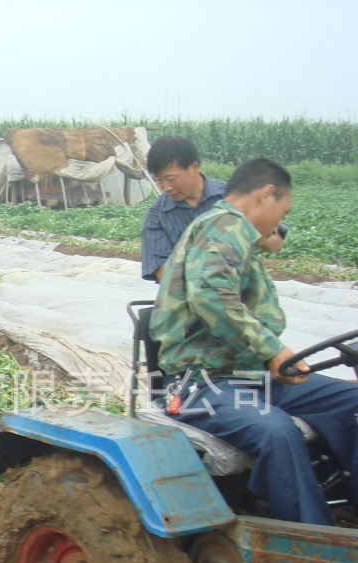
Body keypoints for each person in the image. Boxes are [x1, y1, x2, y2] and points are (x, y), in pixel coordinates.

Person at [150, 158, 358, 527]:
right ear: (267, 195)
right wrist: (273, 349)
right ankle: (314, 539)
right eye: (284, 210)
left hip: (250, 377)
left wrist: (270, 356)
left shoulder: (240, 236)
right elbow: (211, 296)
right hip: (197, 382)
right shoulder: (222, 226)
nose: (281, 221)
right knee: (277, 431)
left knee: (351, 400)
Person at [141, 136, 284, 283]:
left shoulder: (235, 196)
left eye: (171, 179)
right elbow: (161, 272)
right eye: (159, 180)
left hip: (241, 294)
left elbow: (276, 243)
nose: (166, 187)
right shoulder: (157, 215)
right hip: (190, 300)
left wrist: (250, 234)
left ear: (194, 167)